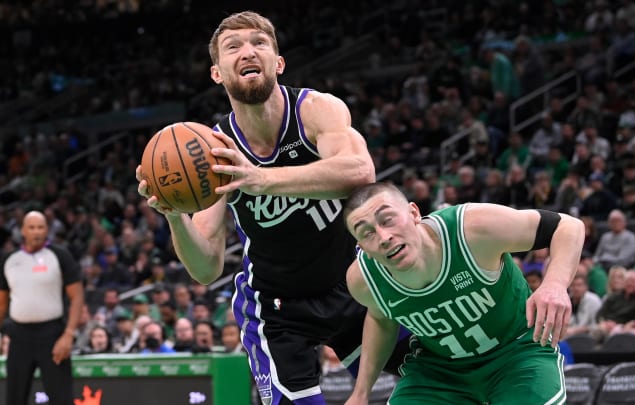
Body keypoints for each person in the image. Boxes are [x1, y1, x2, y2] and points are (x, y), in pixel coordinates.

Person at [136, 11, 408, 404]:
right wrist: (174, 215)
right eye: (234, 47)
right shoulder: (214, 151)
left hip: (351, 283)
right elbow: (206, 268)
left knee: (433, 379)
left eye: (258, 43)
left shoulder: (315, 110)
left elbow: (361, 172)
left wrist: (260, 178)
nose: (248, 52)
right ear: (217, 74)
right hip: (276, 310)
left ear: (278, 63)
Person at [342, 183, 584, 404]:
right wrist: (361, 392)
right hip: (439, 370)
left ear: (414, 213)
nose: (384, 238)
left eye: (388, 220)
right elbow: (381, 319)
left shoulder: (471, 229)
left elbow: (568, 226)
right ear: (361, 247)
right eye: (367, 233)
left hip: (517, 351)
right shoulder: (363, 281)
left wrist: (554, 284)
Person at [0, 210, 84, 405]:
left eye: (40, 227)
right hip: (19, 335)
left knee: (61, 398)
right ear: (23, 231)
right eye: (31, 227)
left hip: (53, 334)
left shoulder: (59, 255)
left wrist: (68, 334)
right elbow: (2, 303)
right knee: (14, 398)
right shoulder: (9, 260)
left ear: (47, 230)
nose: (36, 232)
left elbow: (77, 297)